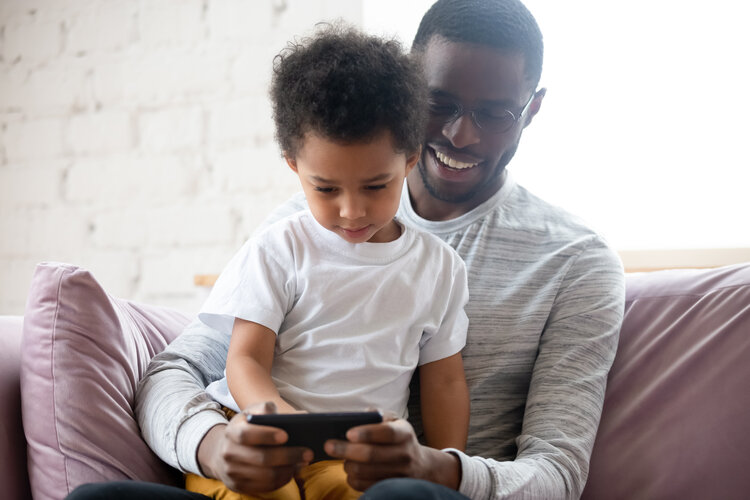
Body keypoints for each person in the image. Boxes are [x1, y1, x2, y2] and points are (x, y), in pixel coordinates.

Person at [66, 0, 625, 499]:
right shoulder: (301, 227)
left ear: (532, 109)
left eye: (496, 112)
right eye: (440, 102)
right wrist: (212, 445)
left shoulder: (576, 262)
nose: (460, 135)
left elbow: (556, 473)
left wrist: (438, 470)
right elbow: (180, 370)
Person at [183, 25, 470, 500]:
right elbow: (246, 359)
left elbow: (444, 382)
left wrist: (438, 470)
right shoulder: (279, 249)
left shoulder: (439, 269)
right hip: (256, 439)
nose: (352, 211)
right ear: (294, 165)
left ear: (411, 160)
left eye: (376, 186)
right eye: (327, 189)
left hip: (348, 457)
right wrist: (279, 420)